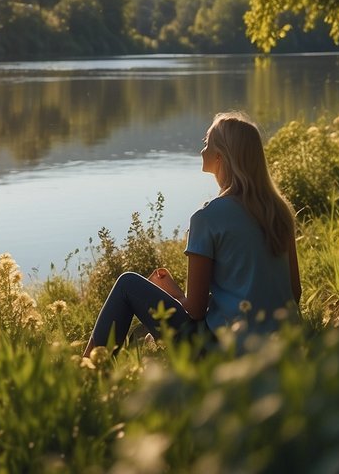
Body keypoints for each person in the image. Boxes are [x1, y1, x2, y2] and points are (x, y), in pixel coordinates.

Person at [84, 111, 301, 356]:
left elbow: (195, 311)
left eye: (207, 143)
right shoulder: (278, 211)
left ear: (220, 157)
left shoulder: (207, 217)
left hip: (226, 349)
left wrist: (172, 295)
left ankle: (89, 374)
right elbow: (294, 292)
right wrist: (175, 293)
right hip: (285, 343)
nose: (202, 150)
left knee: (128, 285)